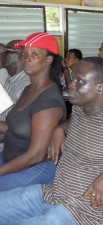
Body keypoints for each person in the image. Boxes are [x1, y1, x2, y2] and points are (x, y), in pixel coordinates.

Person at [0, 57, 103, 225]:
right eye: (73, 78)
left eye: (79, 81)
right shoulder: (82, 108)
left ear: (100, 88)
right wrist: (60, 129)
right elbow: (81, 122)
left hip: (85, 213)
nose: (71, 84)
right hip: (53, 194)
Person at [0, 32, 66, 191]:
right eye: (24, 54)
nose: (26, 59)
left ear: (48, 60)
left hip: (34, 167)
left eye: (34, 54)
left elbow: (35, 155)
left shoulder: (48, 101)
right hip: (12, 158)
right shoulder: (29, 89)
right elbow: (16, 129)